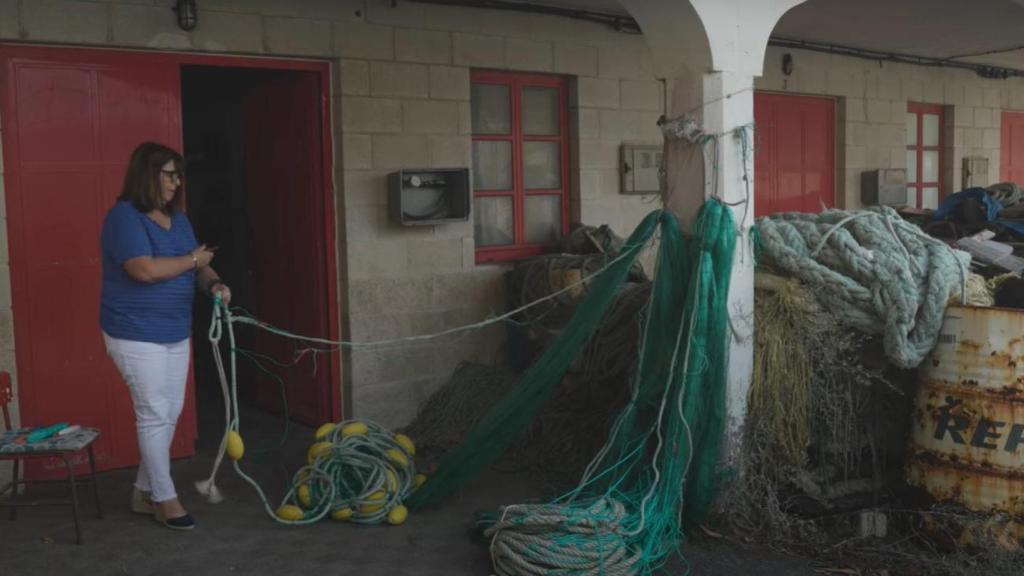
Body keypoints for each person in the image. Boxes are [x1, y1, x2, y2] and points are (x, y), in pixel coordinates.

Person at [99, 142, 231, 531]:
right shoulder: (124, 217)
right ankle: (164, 498)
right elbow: (144, 270)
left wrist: (215, 283)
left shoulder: (179, 219)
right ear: (147, 174)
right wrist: (195, 261)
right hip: (135, 332)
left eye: (178, 176)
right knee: (155, 413)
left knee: (170, 412)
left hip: (175, 329)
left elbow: (199, 265)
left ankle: (143, 491)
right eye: (169, 175)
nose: (176, 183)